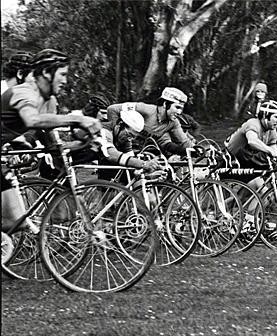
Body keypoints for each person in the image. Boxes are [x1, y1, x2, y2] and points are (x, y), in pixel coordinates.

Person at [1, 49, 103, 234]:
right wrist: (77, 119)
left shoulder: (48, 101)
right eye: (62, 74)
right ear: (47, 73)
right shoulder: (25, 92)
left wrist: (85, 144)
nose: (65, 81)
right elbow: (32, 120)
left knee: (15, 223)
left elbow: (51, 144)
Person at [106, 87, 195, 157]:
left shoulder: (173, 122)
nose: (179, 112)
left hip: (142, 153)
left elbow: (184, 142)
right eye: (177, 107)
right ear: (165, 104)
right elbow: (112, 109)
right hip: (120, 149)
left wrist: (197, 151)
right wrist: (114, 136)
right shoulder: (145, 109)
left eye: (181, 109)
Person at [225, 100, 277, 186]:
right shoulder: (253, 123)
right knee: (252, 190)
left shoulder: (271, 129)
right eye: (276, 117)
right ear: (265, 116)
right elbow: (252, 141)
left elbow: (272, 145)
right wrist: (272, 152)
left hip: (247, 162)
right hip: (232, 162)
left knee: (252, 193)